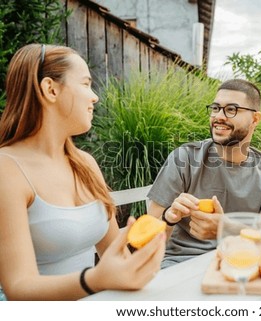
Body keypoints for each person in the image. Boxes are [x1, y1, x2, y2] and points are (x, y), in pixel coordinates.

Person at [0, 44, 165, 300]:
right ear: (50, 89)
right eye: (86, 84)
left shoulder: (85, 163)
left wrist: (141, 255)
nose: (94, 96)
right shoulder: (7, 168)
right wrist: (95, 280)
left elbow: (114, 253)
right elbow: (19, 288)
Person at [147, 79, 261, 268]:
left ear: (255, 119)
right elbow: (148, 240)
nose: (219, 116)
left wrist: (226, 228)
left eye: (231, 109)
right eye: (215, 108)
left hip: (240, 263)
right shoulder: (184, 158)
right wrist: (168, 217)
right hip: (180, 266)